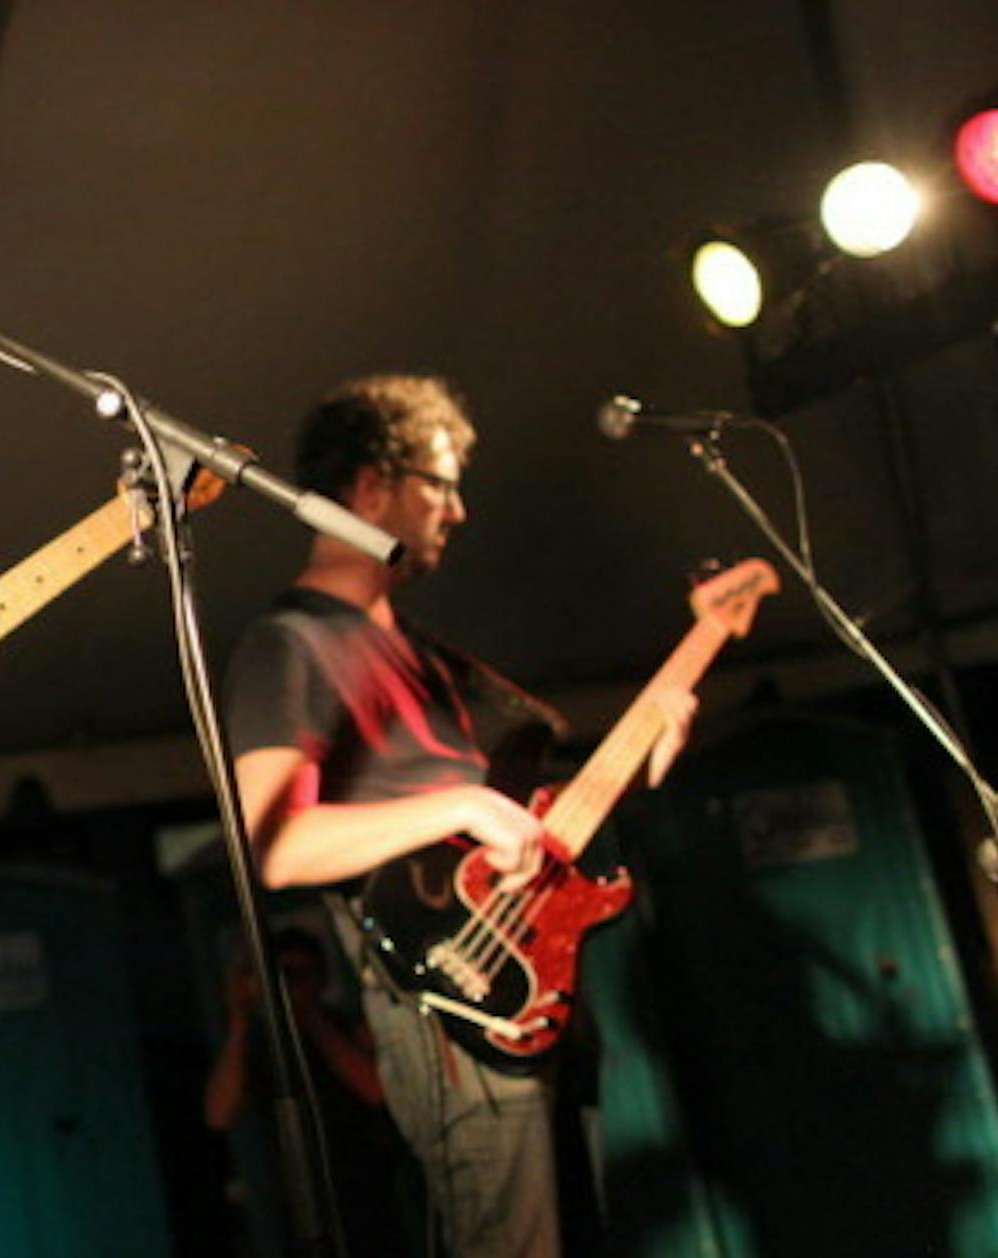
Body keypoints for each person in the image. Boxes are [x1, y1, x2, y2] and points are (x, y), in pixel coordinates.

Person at [221, 375, 692, 1257]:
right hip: (449, 1014)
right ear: (370, 488)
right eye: (439, 484)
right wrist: (464, 800)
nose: (459, 510)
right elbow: (280, 849)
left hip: (529, 995)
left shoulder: (422, 656)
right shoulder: (289, 644)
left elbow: (512, 836)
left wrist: (642, 748)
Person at [203, 925, 417, 1257]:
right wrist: (239, 1020)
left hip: (364, 1195)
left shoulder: (347, 1028)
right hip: (292, 1201)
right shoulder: (260, 1044)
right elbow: (218, 1115)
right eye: (284, 975)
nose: (291, 983)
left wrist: (309, 1013)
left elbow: (374, 1091)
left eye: (301, 974)